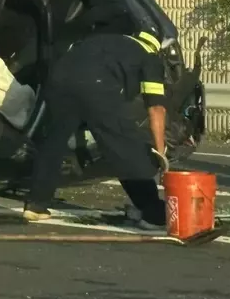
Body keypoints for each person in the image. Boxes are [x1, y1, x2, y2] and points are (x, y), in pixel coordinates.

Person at [22, 29, 171, 229]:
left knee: (54, 142)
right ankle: (152, 213)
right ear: (158, 47)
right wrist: (160, 151)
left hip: (58, 79)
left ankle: (36, 204)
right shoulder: (150, 57)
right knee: (123, 146)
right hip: (96, 85)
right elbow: (156, 108)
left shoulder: (109, 39)